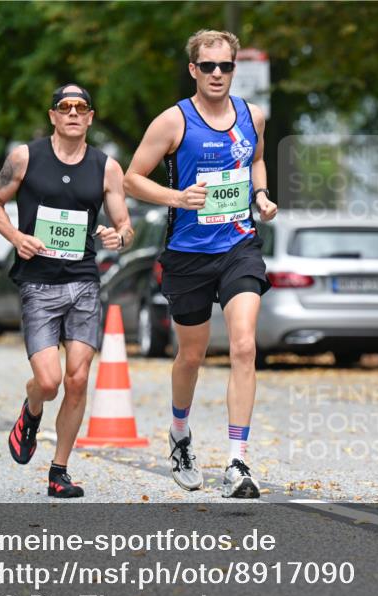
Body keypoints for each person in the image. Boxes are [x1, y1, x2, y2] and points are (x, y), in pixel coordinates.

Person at [124, 29, 277, 498]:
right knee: (192, 353)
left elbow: (255, 161)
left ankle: (237, 461)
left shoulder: (254, 115)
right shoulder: (173, 122)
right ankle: (179, 433)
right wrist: (178, 197)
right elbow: (131, 179)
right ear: (193, 70)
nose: (217, 74)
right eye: (207, 66)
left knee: (245, 345)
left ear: (234, 69)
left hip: (238, 247)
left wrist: (261, 195)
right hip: (188, 253)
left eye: (225, 66)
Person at [0, 84, 134, 498]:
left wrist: (116, 236)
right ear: (53, 116)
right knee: (49, 382)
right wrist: (17, 237)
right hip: (38, 281)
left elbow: (125, 227)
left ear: (90, 117)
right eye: (64, 107)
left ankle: (59, 471)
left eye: (80, 107)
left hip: (84, 280)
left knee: (79, 378)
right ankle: (31, 412)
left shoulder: (107, 167)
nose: (72, 113)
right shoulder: (25, 157)